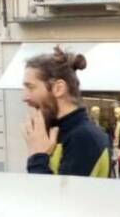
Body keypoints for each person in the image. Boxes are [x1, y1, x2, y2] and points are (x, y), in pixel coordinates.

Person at [21, 47, 110, 178]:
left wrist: (37, 158)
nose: (24, 97)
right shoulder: (61, 133)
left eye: (30, 87)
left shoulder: (84, 138)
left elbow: (59, 198)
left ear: (58, 88)